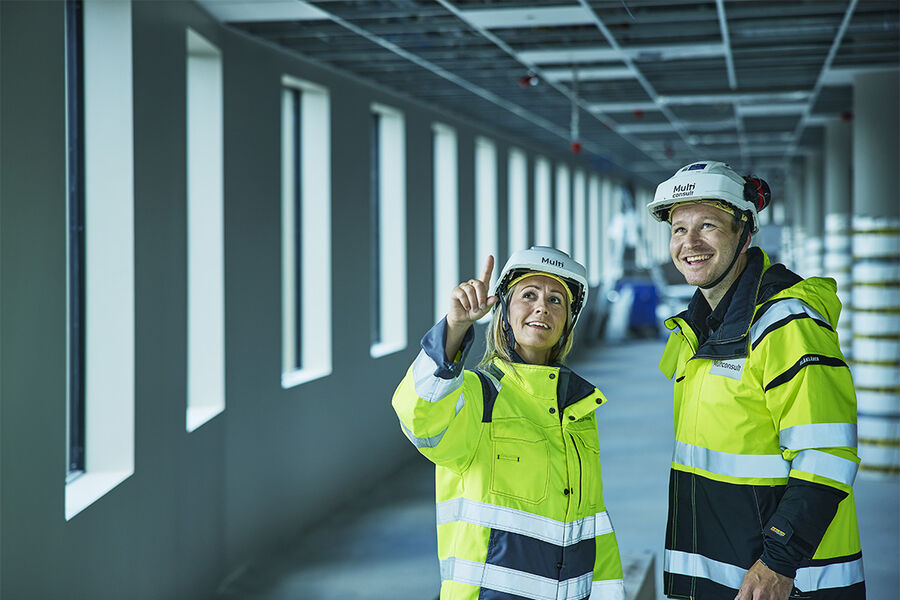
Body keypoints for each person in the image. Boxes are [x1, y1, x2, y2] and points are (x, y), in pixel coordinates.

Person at [648, 161, 865, 600]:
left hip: (787, 581)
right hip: (721, 569)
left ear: (744, 232)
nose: (689, 243)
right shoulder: (699, 328)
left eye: (707, 225)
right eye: (678, 229)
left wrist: (779, 563)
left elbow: (825, 452)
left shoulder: (786, 324)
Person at [392, 246, 625, 600]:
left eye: (556, 300)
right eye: (528, 295)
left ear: (567, 321)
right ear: (503, 310)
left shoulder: (578, 410)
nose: (541, 307)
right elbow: (418, 415)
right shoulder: (478, 396)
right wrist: (455, 328)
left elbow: (593, 524)